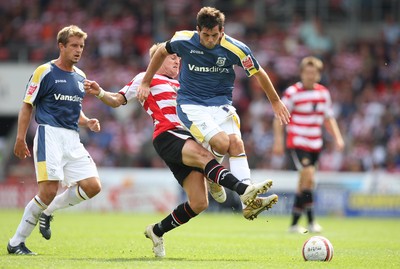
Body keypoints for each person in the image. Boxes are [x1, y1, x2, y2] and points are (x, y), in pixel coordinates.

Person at [84, 43, 278, 258]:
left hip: (189, 137)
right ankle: (244, 191)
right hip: (168, 135)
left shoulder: (183, 83)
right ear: (157, 60)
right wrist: (100, 92)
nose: (177, 60)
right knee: (207, 156)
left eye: (178, 57)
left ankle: (157, 231)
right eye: (172, 57)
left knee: (199, 203)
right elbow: (117, 100)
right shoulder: (145, 79)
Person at [136, 7, 290, 212]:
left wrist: (275, 101)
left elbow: (259, 73)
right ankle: (214, 177)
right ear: (198, 30)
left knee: (236, 143)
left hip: (222, 104)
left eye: (214, 35)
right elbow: (161, 52)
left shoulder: (236, 49)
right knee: (222, 142)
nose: (209, 40)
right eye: (205, 35)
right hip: (192, 105)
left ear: (222, 32)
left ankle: (248, 203)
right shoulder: (183, 40)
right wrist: (146, 82)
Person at [7, 25, 102, 255]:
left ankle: (48, 212)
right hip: (49, 134)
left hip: (72, 137)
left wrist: (87, 121)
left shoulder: (80, 77)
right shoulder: (45, 71)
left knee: (92, 186)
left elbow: (74, 110)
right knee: (48, 190)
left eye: (81, 46)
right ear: (61, 46)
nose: (78, 51)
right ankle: (16, 242)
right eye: (74, 46)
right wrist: (20, 138)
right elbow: (27, 104)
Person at [272, 56, 344, 233]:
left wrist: (338, 138)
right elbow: (278, 117)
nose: (310, 76)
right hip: (298, 141)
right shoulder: (292, 92)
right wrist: (279, 141)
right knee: (309, 175)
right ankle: (311, 222)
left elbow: (328, 118)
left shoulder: (323, 93)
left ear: (319, 75)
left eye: (314, 73)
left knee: (305, 183)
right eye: (307, 72)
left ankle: (294, 224)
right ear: (301, 73)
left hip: (315, 143)